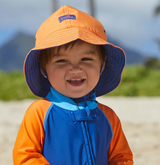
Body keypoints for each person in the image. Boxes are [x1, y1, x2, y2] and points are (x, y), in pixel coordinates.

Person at [13, 5, 133, 165]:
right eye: (61, 61)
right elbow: (25, 157)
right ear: (44, 69)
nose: (75, 69)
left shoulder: (108, 117)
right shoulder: (39, 113)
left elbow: (121, 158)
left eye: (86, 59)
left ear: (102, 65)